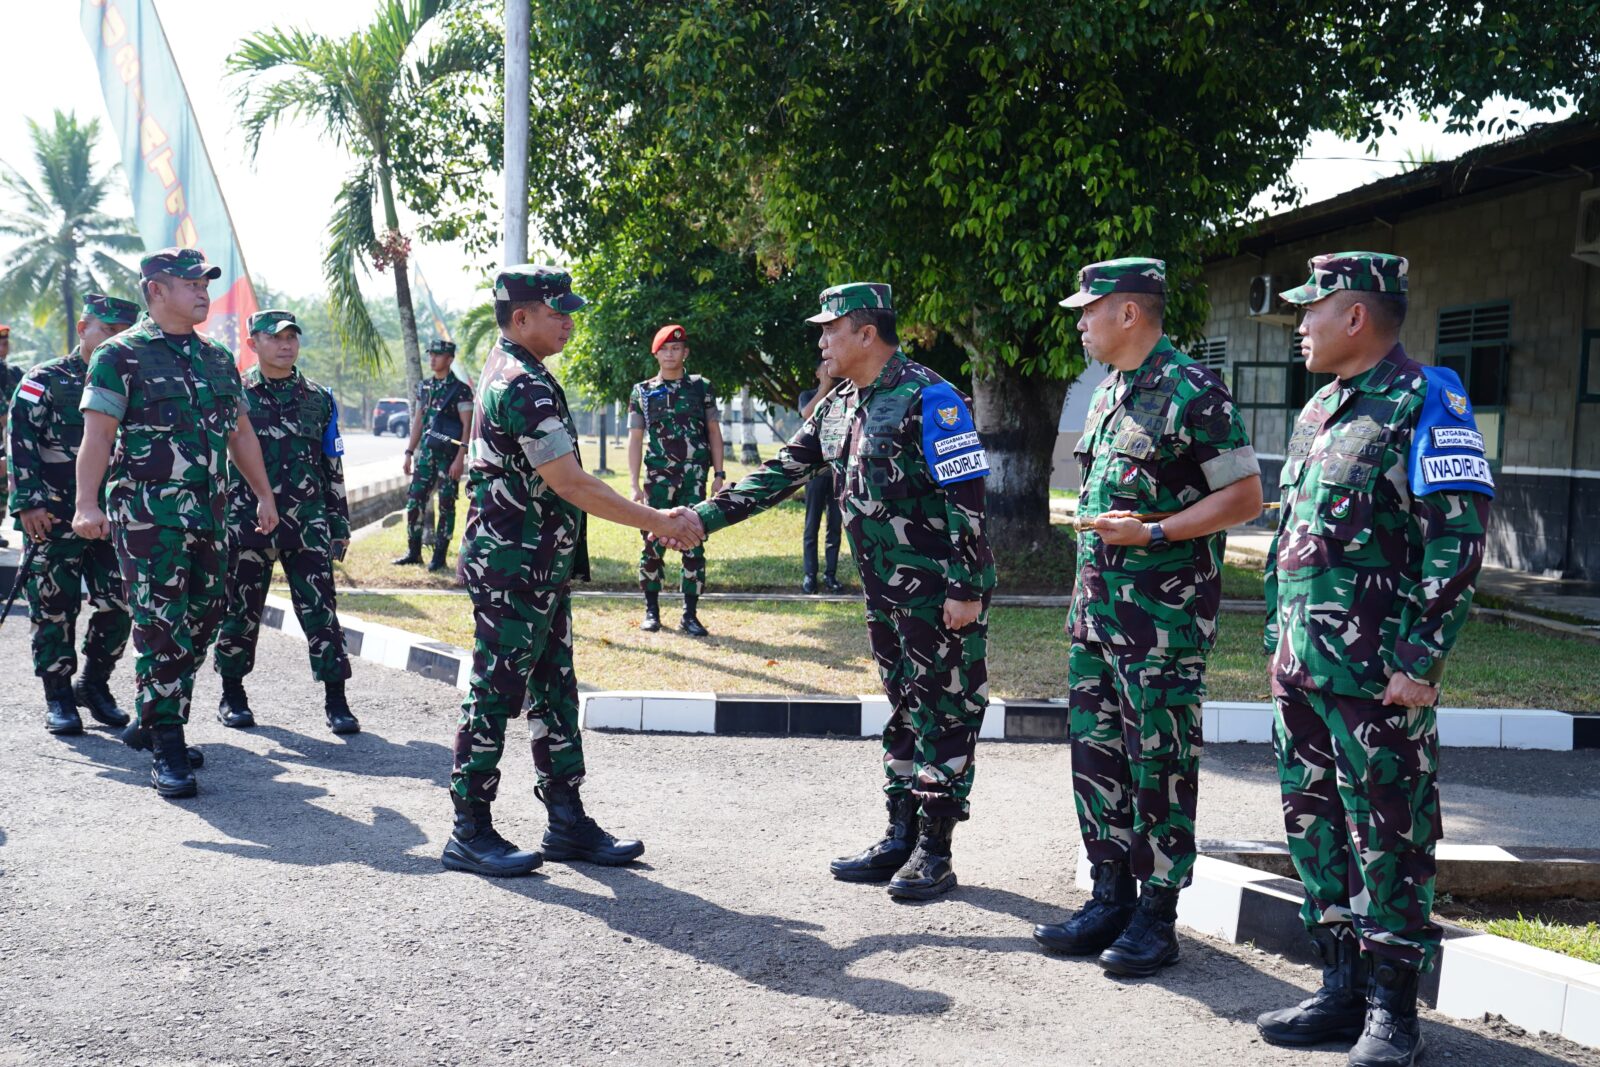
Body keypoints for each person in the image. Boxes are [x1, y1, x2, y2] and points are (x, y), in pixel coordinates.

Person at [1255, 253, 1492, 1067]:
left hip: (1378, 678)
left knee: (1389, 834)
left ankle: (1395, 1011)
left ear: (1355, 315)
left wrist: (1421, 659)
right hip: (1305, 671)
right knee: (1314, 827)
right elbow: (1293, 536)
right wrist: (1277, 647)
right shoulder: (1319, 407)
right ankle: (1340, 987)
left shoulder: (1430, 397)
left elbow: (1457, 538)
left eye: (1310, 311)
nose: (1300, 326)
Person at [688, 282, 993, 901]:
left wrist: (967, 586)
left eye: (830, 328)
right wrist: (702, 518)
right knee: (904, 707)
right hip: (884, 596)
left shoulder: (932, 398)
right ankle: (899, 833)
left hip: (938, 594)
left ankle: (936, 850)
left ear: (865, 333)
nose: (821, 340)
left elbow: (968, 499)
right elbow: (783, 471)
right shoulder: (841, 405)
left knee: (945, 709)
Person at [1033, 258, 1262, 977]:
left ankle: (1157, 916)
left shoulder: (1196, 390)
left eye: (1088, 309)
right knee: (1097, 757)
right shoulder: (1108, 392)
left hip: (1162, 625)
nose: (1079, 321)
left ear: (1129, 312)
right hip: (1097, 617)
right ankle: (1109, 896)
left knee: (1157, 763)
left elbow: (1246, 496)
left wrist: (1157, 533)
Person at [442, 265, 703, 878]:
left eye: (569, 310)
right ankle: (468, 828)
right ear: (521, 316)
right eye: (557, 311)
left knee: (555, 690)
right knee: (494, 693)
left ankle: (566, 820)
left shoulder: (522, 371)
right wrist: (656, 518)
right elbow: (571, 482)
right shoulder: (521, 384)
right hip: (512, 567)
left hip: (536, 565)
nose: (569, 321)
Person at [73, 247, 279, 800]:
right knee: (162, 624)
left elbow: (239, 434)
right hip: (147, 517)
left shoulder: (216, 359)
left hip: (210, 514)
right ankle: (167, 743)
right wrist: (86, 504)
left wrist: (263, 493)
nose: (203, 292)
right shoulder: (119, 356)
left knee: (207, 614)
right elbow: (97, 437)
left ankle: (153, 712)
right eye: (191, 283)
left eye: (205, 282)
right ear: (156, 289)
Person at [213, 310, 359, 736]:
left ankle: (337, 700)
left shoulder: (319, 397)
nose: (286, 344)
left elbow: (331, 462)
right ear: (253, 342)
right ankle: (232, 694)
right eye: (275, 337)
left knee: (321, 613)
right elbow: (217, 462)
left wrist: (339, 521)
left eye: (292, 336)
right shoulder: (232, 394)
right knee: (240, 610)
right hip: (246, 524)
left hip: (307, 523)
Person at [8, 295, 139, 735]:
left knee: (120, 603)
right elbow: (20, 440)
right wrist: (28, 502)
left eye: (124, 332)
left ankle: (94, 683)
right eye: (108, 330)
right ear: (84, 329)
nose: (115, 339)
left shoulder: (132, 380)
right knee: (53, 607)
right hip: (53, 513)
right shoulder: (44, 379)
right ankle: (59, 696)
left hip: (115, 515)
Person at [627, 323, 724, 635]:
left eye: (676, 348)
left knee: (694, 544)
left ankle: (690, 615)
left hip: (694, 479)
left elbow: (713, 432)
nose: (671, 354)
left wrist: (719, 475)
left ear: (686, 352)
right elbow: (635, 438)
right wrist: (633, 483)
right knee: (652, 544)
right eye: (665, 349)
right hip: (657, 480)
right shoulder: (642, 391)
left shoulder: (701, 388)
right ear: (656, 354)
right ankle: (651, 611)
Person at [394, 339, 472, 572]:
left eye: (438, 355)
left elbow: (466, 426)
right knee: (414, 502)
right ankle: (413, 552)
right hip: (426, 456)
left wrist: (461, 458)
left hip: (449, 457)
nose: (433, 359)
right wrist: (409, 452)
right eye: (431, 355)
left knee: (447, 505)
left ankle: (439, 557)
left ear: (449, 359)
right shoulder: (424, 387)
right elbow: (418, 421)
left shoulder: (460, 390)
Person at [796, 356, 843, 594]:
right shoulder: (807, 395)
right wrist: (825, 386)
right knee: (811, 525)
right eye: (822, 368)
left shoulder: (845, 395)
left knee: (835, 526)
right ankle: (809, 576)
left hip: (837, 472)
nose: (827, 369)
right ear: (816, 373)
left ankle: (831, 575)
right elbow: (807, 415)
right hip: (815, 472)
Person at [0, 322, 22, 547]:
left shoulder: (15, 373)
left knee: (2, 487)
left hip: (7, 440)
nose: (2, 346)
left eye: (4, 342)